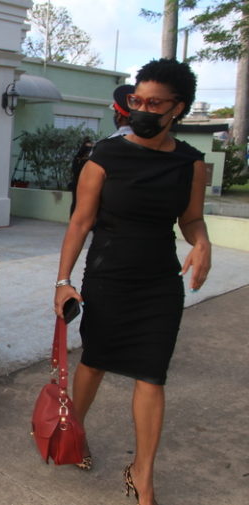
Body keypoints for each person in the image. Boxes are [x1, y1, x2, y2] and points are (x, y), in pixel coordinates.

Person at [53, 58, 211, 505]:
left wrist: (202, 243)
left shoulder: (190, 164)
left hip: (159, 282)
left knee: (151, 375)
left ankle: (142, 473)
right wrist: (62, 280)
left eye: (154, 103)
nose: (142, 109)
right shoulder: (105, 155)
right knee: (95, 361)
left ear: (177, 108)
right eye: (137, 100)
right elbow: (80, 222)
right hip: (108, 275)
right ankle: (74, 433)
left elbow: (192, 218)